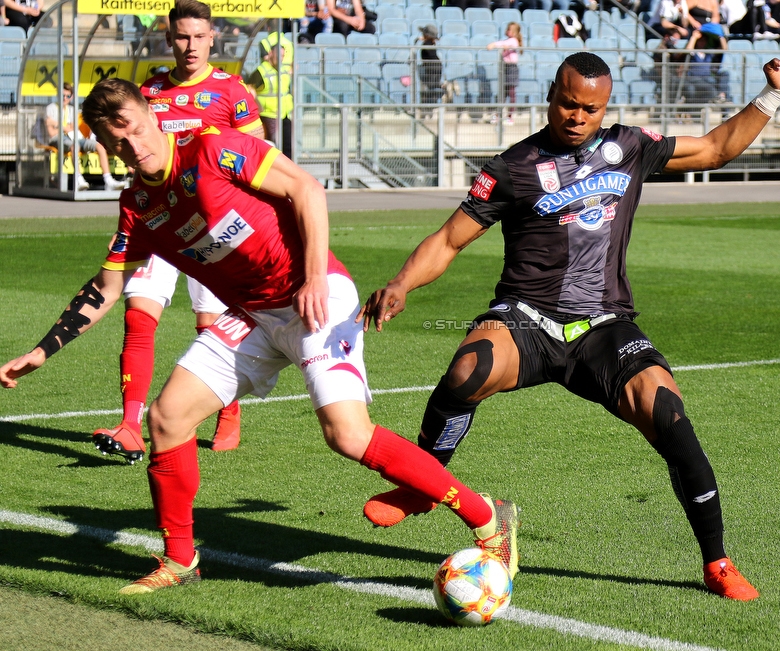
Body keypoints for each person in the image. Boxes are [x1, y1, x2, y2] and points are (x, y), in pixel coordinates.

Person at [0, 77, 521, 593]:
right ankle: (180, 560)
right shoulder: (137, 207)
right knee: (167, 418)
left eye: (134, 128)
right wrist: (42, 351)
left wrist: (315, 275)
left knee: (347, 435)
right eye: (116, 140)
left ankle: (488, 518)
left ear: (151, 115)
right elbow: (107, 287)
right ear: (102, 144)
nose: (131, 146)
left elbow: (305, 188)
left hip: (314, 296)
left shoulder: (214, 150)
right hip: (251, 315)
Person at [358, 47, 780, 602]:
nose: (577, 117)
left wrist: (775, 93)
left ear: (605, 108)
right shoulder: (511, 167)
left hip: (604, 325)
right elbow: (448, 239)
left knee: (668, 413)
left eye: (590, 108)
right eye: (568, 104)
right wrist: (401, 284)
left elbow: (717, 147)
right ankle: (425, 482)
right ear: (551, 97)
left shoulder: (628, 148)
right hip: (527, 319)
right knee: (468, 367)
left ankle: (717, 561)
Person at [90, 0, 265, 462]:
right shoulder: (147, 94)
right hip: (159, 223)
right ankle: (130, 423)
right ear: (169, 39)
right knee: (138, 311)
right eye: (181, 37)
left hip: (215, 228)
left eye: (198, 36)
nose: (190, 46)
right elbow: (136, 162)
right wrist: (126, 229)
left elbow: (260, 153)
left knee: (209, 324)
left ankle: (227, 408)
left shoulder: (231, 90)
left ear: (212, 39)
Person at [43, 83, 126, 192]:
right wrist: (66, 128)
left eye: (67, 96)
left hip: (75, 137)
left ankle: (108, 180)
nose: (65, 98)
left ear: (71, 97)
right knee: (74, 146)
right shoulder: (51, 108)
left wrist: (56, 124)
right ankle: (78, 179)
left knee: (99, 147)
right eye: (62, 95)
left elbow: (72, 128)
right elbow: (52, 133)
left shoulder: (72, 110)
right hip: (59, 139)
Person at [247, 32, 294, 158]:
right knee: (274, 146)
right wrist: (257, 104)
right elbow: (249, 87)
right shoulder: (261, 71)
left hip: (284, 114)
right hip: (268, 115)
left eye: (283, 56)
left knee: (288, 146)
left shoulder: (284, 70)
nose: (281, 58)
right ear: (271, 54)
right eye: (279, 55)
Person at [487, 22, 522, 125]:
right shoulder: (508, 41)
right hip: (505, 68)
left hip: (511, 69)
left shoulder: (514, 41)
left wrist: (493, 44)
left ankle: (510, 116)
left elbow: (505, 44)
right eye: (508, 29)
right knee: (502, 93)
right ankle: (498, 115)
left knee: (511, 93)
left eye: (510, 29)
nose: (508, 31)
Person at [417, 24, 442, 116]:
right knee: (431, 87)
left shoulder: (427, 44)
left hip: (432, 69)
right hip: (435, 67)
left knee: (431, 87)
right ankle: (429, 108)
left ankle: (428, 108)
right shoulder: (430, 43)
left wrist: (424, 41)